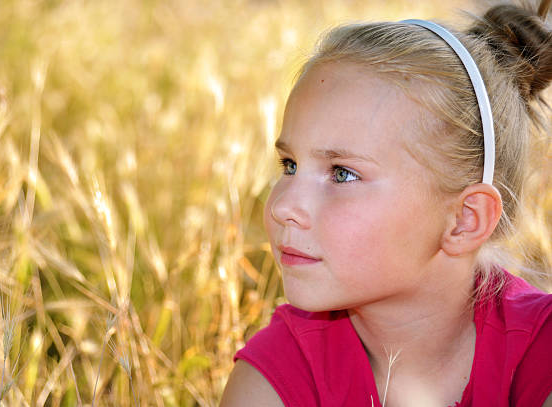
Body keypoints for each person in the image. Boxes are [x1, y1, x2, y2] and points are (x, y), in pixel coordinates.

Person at [220, 1, 552, 406]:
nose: (283, 206)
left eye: (342, 173)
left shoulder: (540, 356)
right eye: (289, 165)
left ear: (464, 220)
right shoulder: (273, 381)